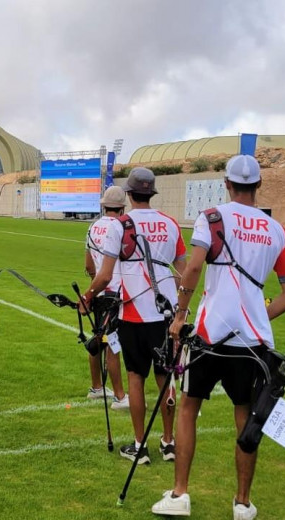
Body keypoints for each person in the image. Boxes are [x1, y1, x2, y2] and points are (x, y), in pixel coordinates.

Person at [152, 155, 285, 519]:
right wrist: (255, 316)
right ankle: (242, 503)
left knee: (189, 409)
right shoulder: (276, 229)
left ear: (227, 184)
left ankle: (179, 495)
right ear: (258, 186)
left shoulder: (212, 217)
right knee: (246, 416)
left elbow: (193, 266)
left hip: (209, 335)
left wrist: (180, 316)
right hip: (251, 343)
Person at [80, 167, 186, 465]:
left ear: (129, 194)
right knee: (165, 378)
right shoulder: (171, 223)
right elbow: (182, 271)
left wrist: (87, 297)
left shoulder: (119, 225)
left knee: (136, 378)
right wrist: (177, 308)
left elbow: (104, 275)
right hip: (164, 314)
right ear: (151, 193)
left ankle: (139, 446)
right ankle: (168, 441)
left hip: (133, 313)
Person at [84, 185, 129, 410]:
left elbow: (89, 264)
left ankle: (96, 387)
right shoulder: (122, 227)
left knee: (99, 338)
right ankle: (120, 396)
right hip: (117, 292)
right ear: (122, 207)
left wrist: (95, 286)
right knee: (112, 343)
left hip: (100, 291)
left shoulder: (93, 227)